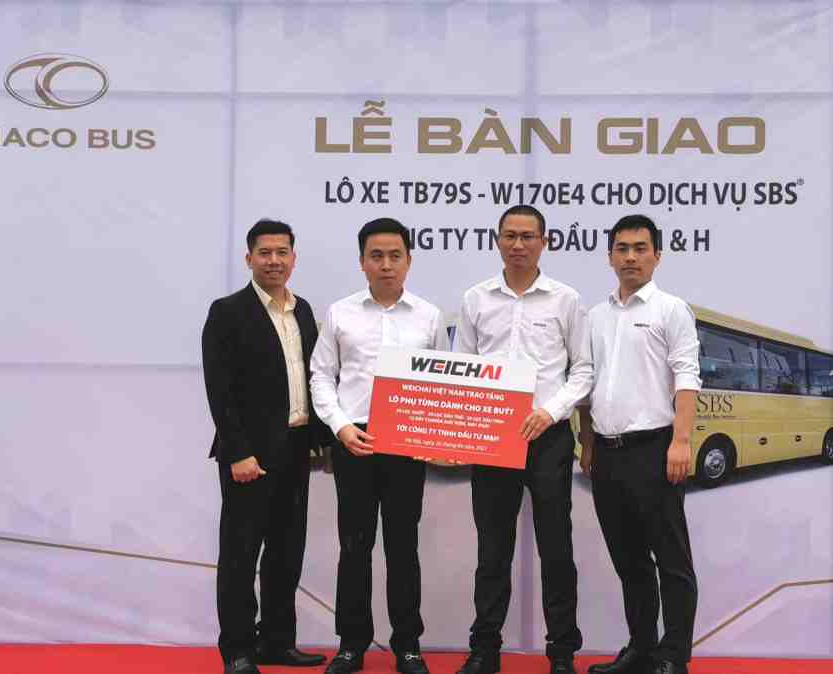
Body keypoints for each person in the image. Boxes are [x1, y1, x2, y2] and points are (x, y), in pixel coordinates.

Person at [454, 205, 593, 674]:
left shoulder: (565, 300)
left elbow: (583, 371)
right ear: (497, 240)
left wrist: (549, 411)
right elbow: (463, 370)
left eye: (527, 236)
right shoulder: (475, 299)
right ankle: (484, 649)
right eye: (509, 236)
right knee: (492, 549)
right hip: (493, 440)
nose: (518, 244)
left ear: (544, 242)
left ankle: (561, 651)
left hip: (548, 438)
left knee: (556, 547)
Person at [310, 218, 448, 674]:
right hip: (355, 442)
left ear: (409, 260)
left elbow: (440, 385)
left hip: (406, 444)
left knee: (403, 548)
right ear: (362, 262)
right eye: (376, 256)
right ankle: (351, 645)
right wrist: (340, 427)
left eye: (395, 256)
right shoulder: (340, 313)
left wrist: (431, 435)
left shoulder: (429, 316)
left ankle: (408, 645)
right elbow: (321, 376)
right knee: (355, 547)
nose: (386, 264)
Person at [202, 219, 331, 674]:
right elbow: (219, 390)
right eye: (265, 252)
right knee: (241, 555)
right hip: (249, 456)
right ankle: (238, 650)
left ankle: (276, 642)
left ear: (293, 258)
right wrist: (238, 452)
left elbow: (314, 378)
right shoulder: (227, 311)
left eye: (282, 252)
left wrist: (323, 441)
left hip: (296, 448)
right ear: (249, 258)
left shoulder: (303, 310)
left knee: (286, 552)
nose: (274, 260)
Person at [578, 215, 701, 674]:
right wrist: (587, 442)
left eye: (640, 248)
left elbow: (687, 376)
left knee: (671, 561)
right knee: (629, 560)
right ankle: (642, 650)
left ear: (657, 256)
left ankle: (674, 657)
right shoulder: (595, 316)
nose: (630, 257)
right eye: (622, 248)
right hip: (607, 455)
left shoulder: (671, 309)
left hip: (656, 450)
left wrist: (681, 440)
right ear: (610, 256)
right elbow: (587, 382)